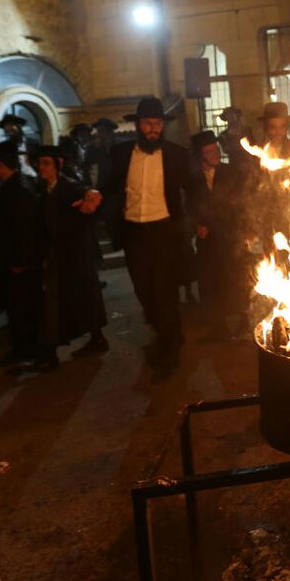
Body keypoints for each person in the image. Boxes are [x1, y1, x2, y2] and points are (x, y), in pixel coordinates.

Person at [99, 97, 194, 377]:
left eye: (157, 123)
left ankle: (168, 350)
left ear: (162, 126)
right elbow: (108, 185)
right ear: (138, 125)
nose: (153, 128)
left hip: (164, 230)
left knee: (164, 290)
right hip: (133, 232)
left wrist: (205, 215)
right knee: (143, 290)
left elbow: (192, 187)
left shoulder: (176, 154)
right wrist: (94, 196)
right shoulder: (120, 153)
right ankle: (169, 333)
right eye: (148, 123)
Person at [34, 146, 106, 362]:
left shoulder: (69, 186)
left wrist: (90, 196)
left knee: (83, 294)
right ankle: (92, 337)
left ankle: (89, 339)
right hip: (59, 252)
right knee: (68, 297)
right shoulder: (46, 189)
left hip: (76, 252)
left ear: (59, 164)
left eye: (46, 163)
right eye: (39, 163)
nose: (41, 168)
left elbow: (87, 193)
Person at [0, 143, 47, 371]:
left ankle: (29, 352)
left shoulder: (16, 190)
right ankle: (21, 350)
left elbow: (24, 230)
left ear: (0, 165)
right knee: (18, 310)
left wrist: (21, 261)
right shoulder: (15, 186)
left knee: (24, 310)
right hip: (16, 263)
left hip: (21, 265)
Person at [188, 130, 237, 337]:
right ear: (200, 155)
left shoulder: (230, 172)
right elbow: (189, 206)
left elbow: (239, 204)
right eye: (209, 151)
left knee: (232, 278)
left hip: (229, 235)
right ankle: (218, 325)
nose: (215, 154)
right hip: (207, 240)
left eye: (216, 149)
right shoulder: (192, 178)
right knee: (209, 280)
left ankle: (239, 320)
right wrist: (196, 225)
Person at [0, 112, 39, 177]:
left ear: (19, 126)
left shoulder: (33, 143)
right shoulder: (4, 147)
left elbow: (38, 161)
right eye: (7, 129)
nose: (9, 129)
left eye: (11, 126)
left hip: (33, 176)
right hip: (15, 179)